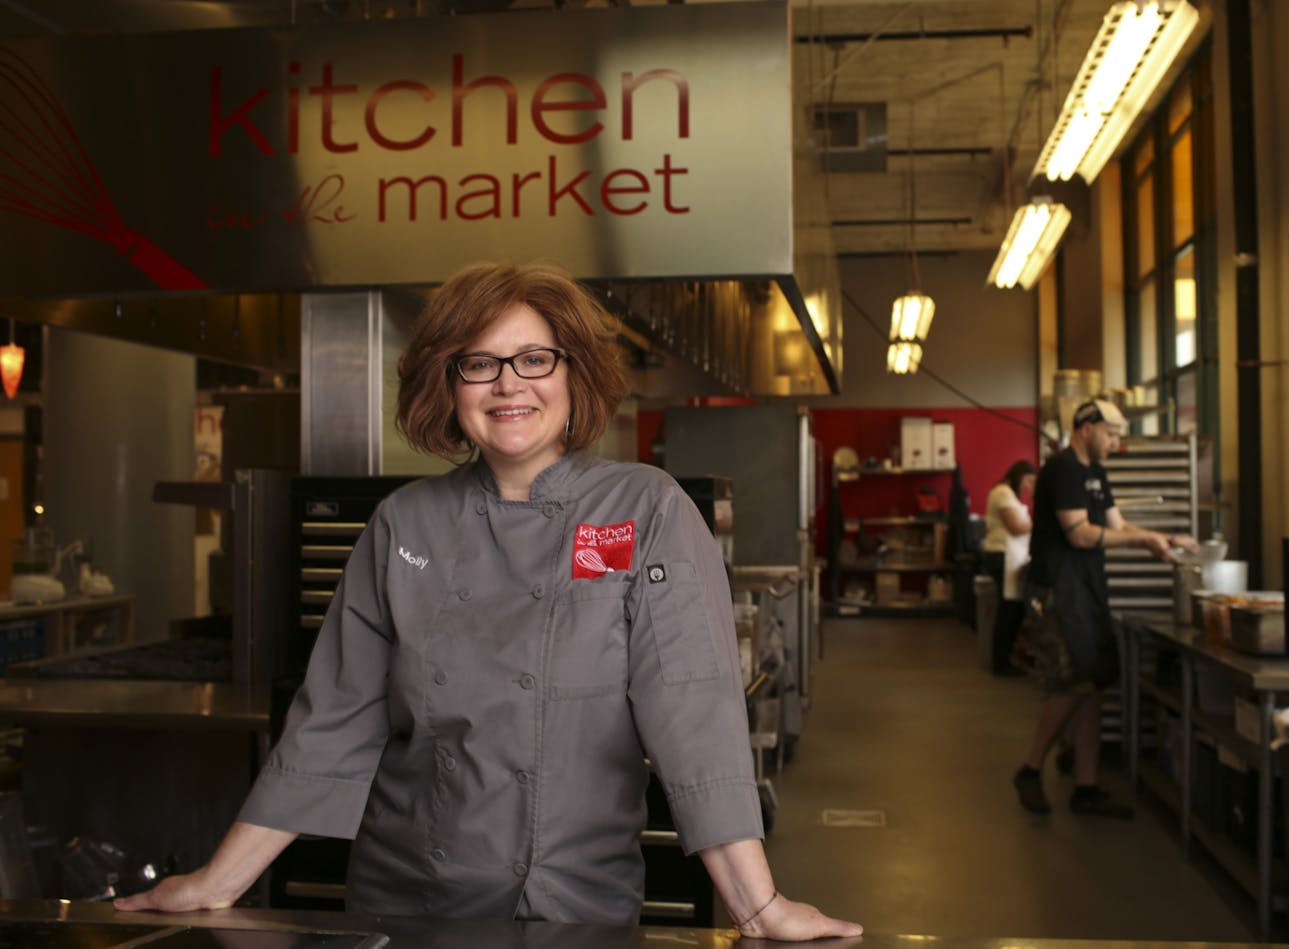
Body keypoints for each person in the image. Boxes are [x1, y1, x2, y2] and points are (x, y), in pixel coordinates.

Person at [115, 262, 860, 940]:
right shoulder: (404, 523)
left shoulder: (645, 508)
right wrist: (220, 881)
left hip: (572, 909)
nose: (509, 385)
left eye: (535, 359)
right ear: (450, 383)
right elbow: (331, 722)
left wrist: (758, 905)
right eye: (480, 364)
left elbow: (692, 712)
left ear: (574, 374)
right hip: (406, 904)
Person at [1011, 399, 1197, 818]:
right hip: (1059, 589)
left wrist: (1164, 538)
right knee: (1074, 682)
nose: (1117, 442)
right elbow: (1078, 535)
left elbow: (1115, 526)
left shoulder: (1096, 473)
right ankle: (1030, 768)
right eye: (1111, 434)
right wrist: (1143, 542)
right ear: (1085, 429)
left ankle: (1087, 786)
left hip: (1089, 587)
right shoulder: (1062, 470)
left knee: (1093, 680)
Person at [981, 460, 1036, 676]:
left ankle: (1006, 659)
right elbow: (1015, 527)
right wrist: (1043, 522)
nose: (1028, 486)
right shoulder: (1003, 492)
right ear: (1021, 475)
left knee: (1012, 609)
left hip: (1010, 556)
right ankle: (1001, 662)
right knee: (1008, 611)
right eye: (1029, 481)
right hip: (1002, 554)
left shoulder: (1009, 494)